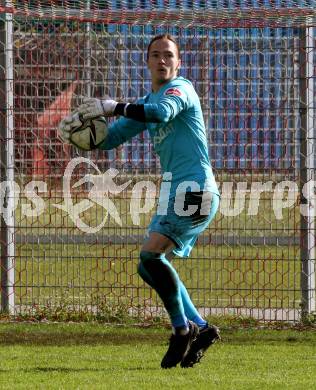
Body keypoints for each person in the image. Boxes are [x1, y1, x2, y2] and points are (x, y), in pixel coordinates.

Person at [58, 34, 220, 369]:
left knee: (151, 254)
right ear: (146, 62)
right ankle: (200, 329)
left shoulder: (180, 90)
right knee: (147, 266)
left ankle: (181, 331)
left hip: (196, 190)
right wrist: (80, 134)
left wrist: (112, 106)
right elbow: (112, 137)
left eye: (168, 55)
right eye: (156, 55)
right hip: (177, 191)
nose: (162, 61)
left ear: (179, 62)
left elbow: (161, 114)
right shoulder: (148, 99)